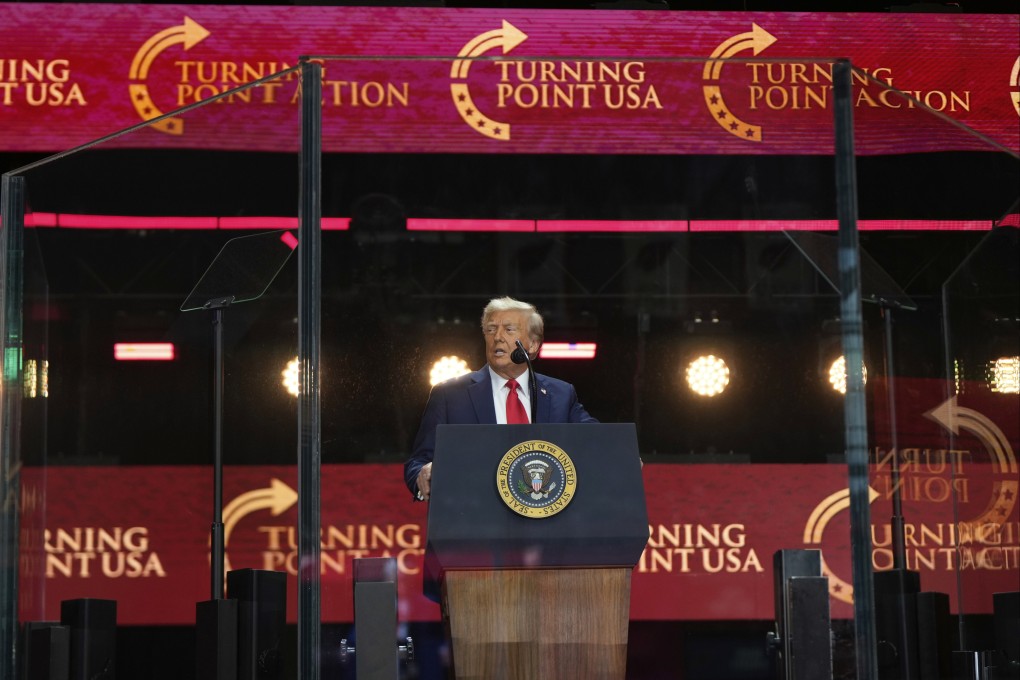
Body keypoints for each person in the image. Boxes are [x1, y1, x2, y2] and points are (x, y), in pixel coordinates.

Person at [404, 296, 598, 501]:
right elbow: (418, 462)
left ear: (533, 345)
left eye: (509, 329)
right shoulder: (450, 395)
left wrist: (615, 454)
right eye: (491, 329)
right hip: (476, 511)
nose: (497, 337)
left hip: (545, 509)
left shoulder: (560, 394)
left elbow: (597, 439)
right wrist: (422, 474)